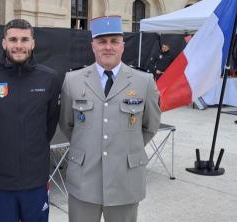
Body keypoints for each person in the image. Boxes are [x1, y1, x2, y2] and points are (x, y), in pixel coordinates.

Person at [59, 16, 161, 222]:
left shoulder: (144, 81)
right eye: (102, 41)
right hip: (84, 179)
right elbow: (67, 124)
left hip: (125, 179)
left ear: (123, 46)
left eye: (114, 41)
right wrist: (89, 145)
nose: (108, 47)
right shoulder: (73, 80)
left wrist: (124, 148)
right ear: (93, 46)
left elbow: (150, 126)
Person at [0, 19, 61, 222]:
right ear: (3, 43)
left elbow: (50, 125)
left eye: (24, 39)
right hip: (1, 182)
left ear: (33, 43)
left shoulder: (49, 79)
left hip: (36, 181)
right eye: (12, 39)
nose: (18, 45)